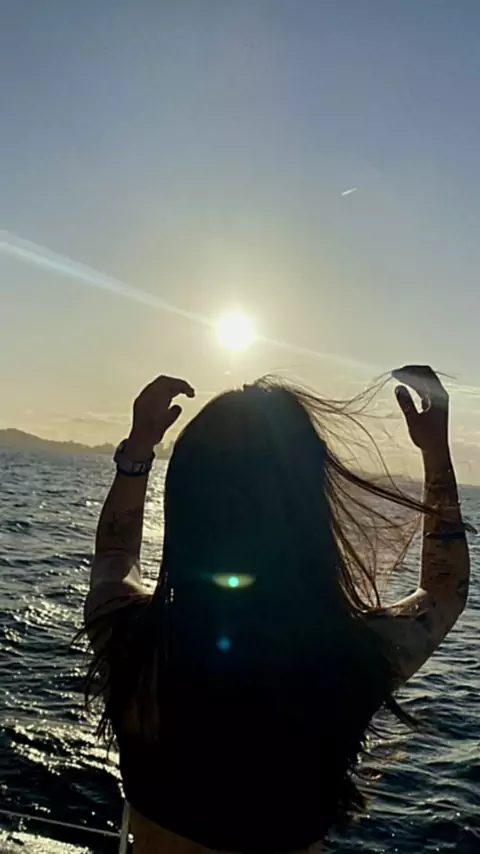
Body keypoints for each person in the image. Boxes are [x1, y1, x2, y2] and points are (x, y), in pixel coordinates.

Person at [83, 365, 469, 854]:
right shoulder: (349, 661)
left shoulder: (131, 643)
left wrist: (138, 452)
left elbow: (115, 556)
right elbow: (443, 592)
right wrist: (436, 452)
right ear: (310, 511)